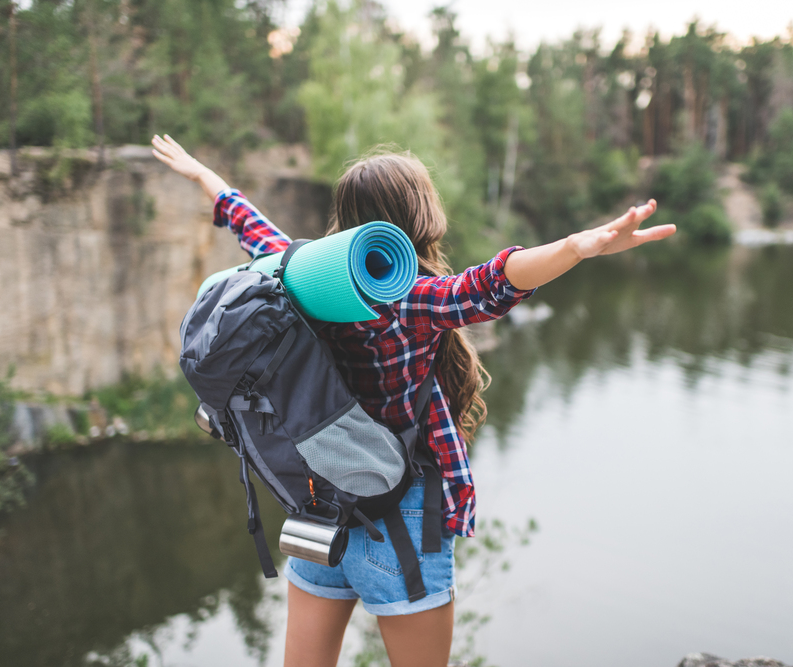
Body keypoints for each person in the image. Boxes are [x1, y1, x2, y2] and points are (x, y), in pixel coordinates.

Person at [151, 133, 675, 667]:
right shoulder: (408, 299)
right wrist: (574, 248)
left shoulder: (297, 275)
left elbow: (250, 224)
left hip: (318, 509)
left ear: (347, 218)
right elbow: (488, 283)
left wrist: (200, 173)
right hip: (398, 519)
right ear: (421, 213)